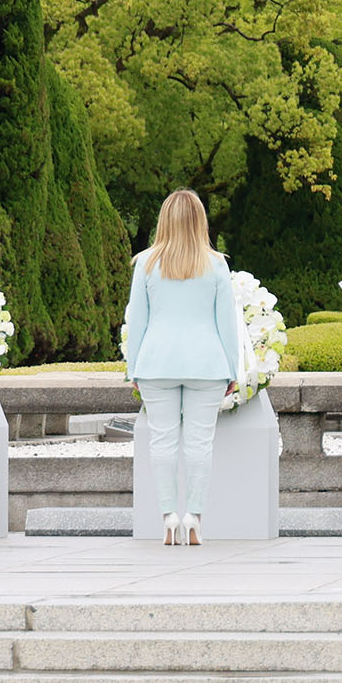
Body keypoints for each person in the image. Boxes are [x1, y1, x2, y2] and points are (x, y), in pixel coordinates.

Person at [122, 190, 242, 546]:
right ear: (200, 220)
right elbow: (227, 324)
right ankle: (194, 516)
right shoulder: (217, 263)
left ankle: (168, 516)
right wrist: (233, 370)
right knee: (199, 444)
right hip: (207, 362)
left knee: (162, 442)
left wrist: (133, 370)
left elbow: (137, 321)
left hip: (157, 362)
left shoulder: (145, 263)